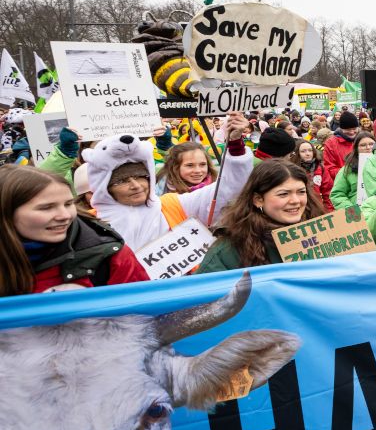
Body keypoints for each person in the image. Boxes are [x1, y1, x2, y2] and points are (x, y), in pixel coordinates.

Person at [194, 160, 327, 430]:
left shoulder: (323, 231)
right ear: (257, 199)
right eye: (283, 194)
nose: (294, 201)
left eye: (300, 192)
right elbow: (207, 308)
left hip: (314, 369)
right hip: (259, 380)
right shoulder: (228, 249)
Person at [85, 112, 251, 248]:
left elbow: (228, 188)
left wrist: (235, 143)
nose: (136, 186)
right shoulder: (90, 225)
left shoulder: (171, 204)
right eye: (121, 181)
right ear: (104, 187)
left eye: (140, 177)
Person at [0, 166, 149, 297]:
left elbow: (145, 315)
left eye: (68, 204)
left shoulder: (110, 256)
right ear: (6, 212)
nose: (65, 216)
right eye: (46, 208)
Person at [330, 131, 376, 209]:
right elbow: (337, 194)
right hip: (358, 213)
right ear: (356, 148)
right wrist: (351, 210)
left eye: (371, 144)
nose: (368, 148)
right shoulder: (347, 169)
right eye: (363, 145)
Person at [291, 139, 333, 210]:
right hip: (299, 208)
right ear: (297, 153)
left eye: (310, 150)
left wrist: (328, 210)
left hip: (317, 207)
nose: (308, 153)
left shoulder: (320, 168)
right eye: (303, 151)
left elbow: (328, 192)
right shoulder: (291, 169)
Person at [320, 111, 360, 182]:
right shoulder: (331, 143)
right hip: (342, 183)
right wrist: (349, 172)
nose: (351, 132)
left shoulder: (361, 140)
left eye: (354, 129)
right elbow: (329, 168)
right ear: (341, 129)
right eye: (348, 129)